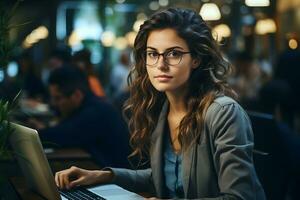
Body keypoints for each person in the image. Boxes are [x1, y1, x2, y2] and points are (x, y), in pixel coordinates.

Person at [55, 8, 265, 199]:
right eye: (153, 54)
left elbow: (240, 197)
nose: (161, 65)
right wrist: (101, 176)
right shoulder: (160, 108)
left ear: (196, 59)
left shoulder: (223, 113)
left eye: (174, 53)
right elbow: (164, 177)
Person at [30, 65, 130, 168]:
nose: (54, 103)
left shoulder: (95, 113)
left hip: (119, 181)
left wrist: (33, 133)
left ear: (77, 95)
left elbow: (60, 136)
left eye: (58, 98)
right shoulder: (95, 107)